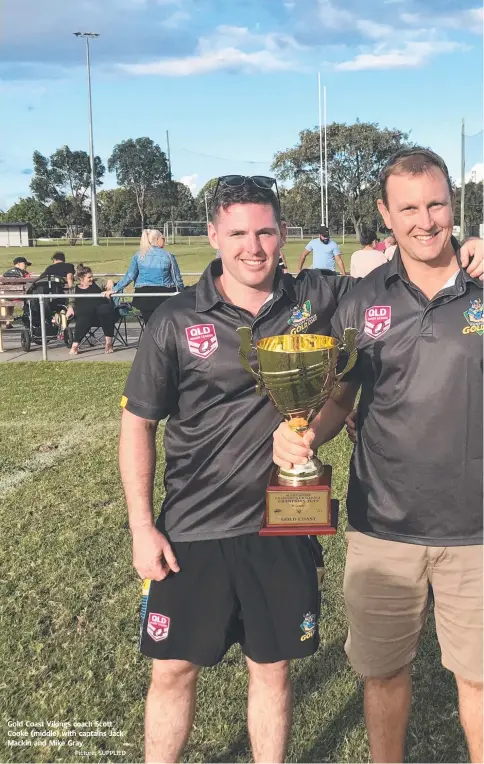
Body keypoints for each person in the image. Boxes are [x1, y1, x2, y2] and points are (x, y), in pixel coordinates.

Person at [119, 171, 484, 764]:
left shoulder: (321, 298)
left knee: (272, 672)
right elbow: (138, 423)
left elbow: (413, 271)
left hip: (284, 524)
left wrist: (474, 248)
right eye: (238, 233)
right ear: (213, 234)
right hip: (193, 527)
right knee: (172, 671)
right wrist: (141, 525)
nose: (253, 247)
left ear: (284, 235)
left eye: (265, 232)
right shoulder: (174, 321)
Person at [272, 147, 483, 763]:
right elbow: (339, 397)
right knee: (384, 675)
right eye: (409, 207)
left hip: (476, 528)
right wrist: (304, 432)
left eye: (437, 203)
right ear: (385, 215)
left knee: (477, 680)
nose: (426, 220)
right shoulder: (359, 300)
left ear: (453, 205)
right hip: (383, 526)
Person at [103, 229, 184, 324]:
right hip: (165, 295)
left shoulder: (139, 255)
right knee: (164, 325)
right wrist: (182, 292)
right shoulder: (168, 256)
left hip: (144, 296)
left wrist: (115, 289)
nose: (164, 240)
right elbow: (176, 278)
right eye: (163, 238)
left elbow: (130, 276)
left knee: (149, 325)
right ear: (157, 239)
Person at [66, 264, 115, 355]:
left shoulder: (98, 282)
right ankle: (75, 344)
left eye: (92, 276)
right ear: (81, 278)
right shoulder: (74, 289)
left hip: (101, 315)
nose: (91, 278)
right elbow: (71, 302)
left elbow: (110, 284)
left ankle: (108, 342)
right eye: (89, 277)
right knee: (84, 313)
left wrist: (110, 282)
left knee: (104, 309)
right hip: (85, 316)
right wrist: (70, 308)